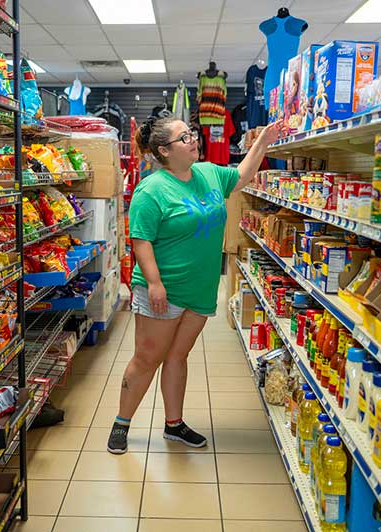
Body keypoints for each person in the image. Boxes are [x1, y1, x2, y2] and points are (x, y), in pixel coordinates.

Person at [107, 116, 280, 454]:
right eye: (183, 136)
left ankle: (175, 425)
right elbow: (140, 240)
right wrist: (154, 283)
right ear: (164, 150)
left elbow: (243, 175)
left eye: (191, 133)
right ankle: (121, 423)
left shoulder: (210, 173)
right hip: (163, 289)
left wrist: (264, 141)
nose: (193, 139)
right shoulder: (152, 189)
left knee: (178, 355)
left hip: (199, 289)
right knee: (147, 357)